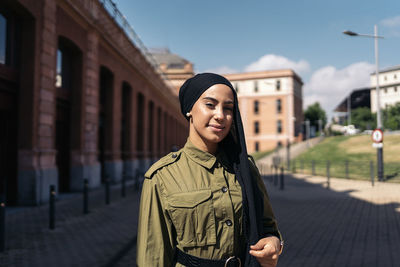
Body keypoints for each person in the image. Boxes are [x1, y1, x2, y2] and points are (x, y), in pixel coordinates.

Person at [137, 73, 283, 267]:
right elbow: (152, 258)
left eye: (228, 108)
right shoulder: (162, 176)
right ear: (190, 109)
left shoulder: (245, 168)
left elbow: (268, 227)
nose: (220, 115)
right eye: (210, 105)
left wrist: (274, 244)